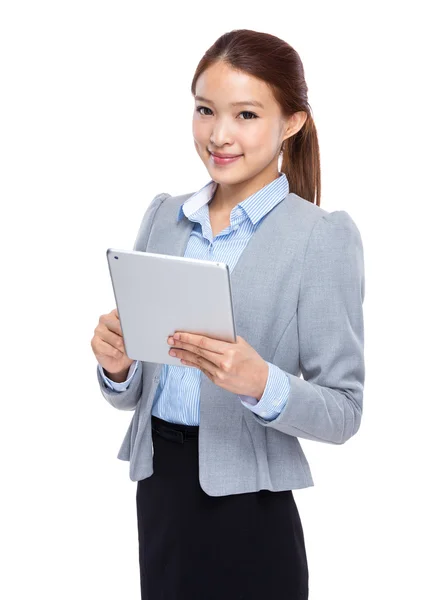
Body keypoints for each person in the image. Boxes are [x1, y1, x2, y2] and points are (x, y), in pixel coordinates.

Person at [91, 28, 365, 600]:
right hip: (160, 492)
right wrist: (118, 368)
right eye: (205, 110)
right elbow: (137, 389)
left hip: (251, 510)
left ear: (290, 123)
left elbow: (344, 411)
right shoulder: (165, 217)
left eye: (245, 114)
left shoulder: (321, 238)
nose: (219, 135)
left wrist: (262, 383)